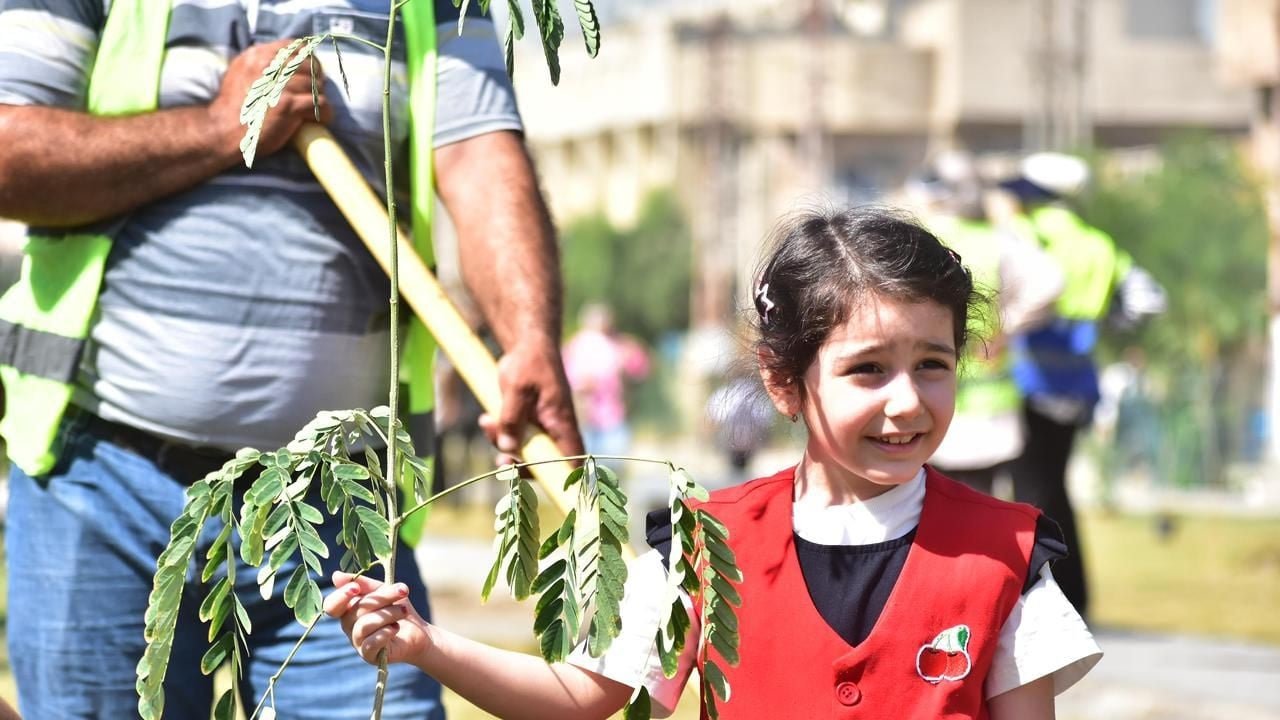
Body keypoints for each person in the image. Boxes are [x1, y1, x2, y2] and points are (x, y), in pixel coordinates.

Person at [0, 1, 584, 718]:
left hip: (342, 503)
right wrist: (223, 127)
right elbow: (9, 153)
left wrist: (529, 338)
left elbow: (478, 156)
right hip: (105, 486)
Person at [325, 208, 1102, 719]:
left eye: (933, 364)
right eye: (868, 370)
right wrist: (425, 645)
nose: (907, 401)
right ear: (783, 380)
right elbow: (585, 695)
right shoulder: (704, 545)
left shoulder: (1008, 555)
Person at [1000, 152, 1166, 618]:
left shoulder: (1024, 234)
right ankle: (1075, 595)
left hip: (1026, 381)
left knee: (1029, 492)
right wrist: (1105, 324)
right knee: (1055, 489)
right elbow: (1149, 300)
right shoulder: (1098, 244)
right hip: (1077, 386)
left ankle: (1039, 600)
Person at [910, 150, 1064, 495]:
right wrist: (1005, 327)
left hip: (928, 406)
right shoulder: (996, 239)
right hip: (988, 414)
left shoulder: (918, 239)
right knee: (979, 509)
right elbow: (1051, 281)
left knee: (929, 510)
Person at [562, 303, 650, 458]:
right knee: (586, 463)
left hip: (614, 418)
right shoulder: (574, 347)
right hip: (585, 419)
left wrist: (627, 368)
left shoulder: (621, 345)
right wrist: (580, 384)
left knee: (615, 462)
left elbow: (642, 368)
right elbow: (562, 375)